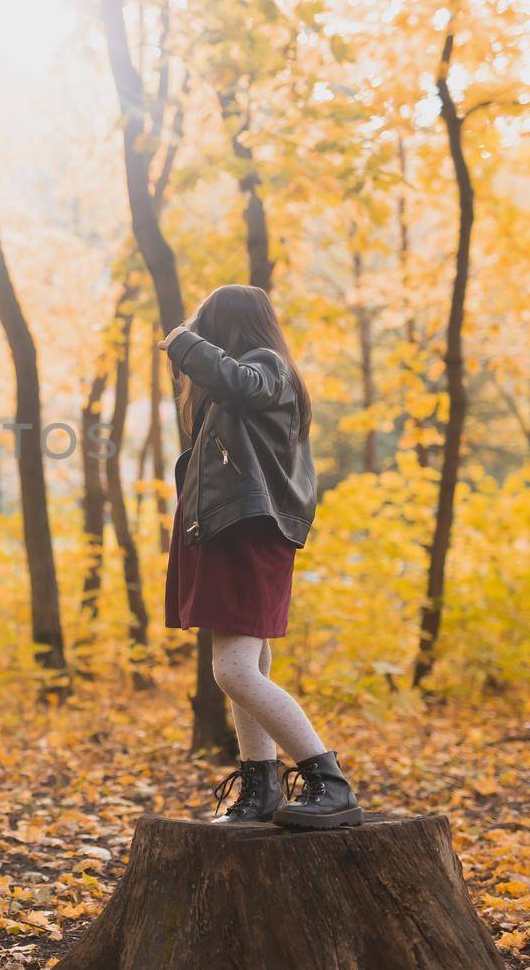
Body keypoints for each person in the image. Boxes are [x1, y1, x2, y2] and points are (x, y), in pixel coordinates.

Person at [158, 284, 363, 829]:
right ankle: (260, 785)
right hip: (230, 531)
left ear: (228, 326)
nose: (197, 338)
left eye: (205, 327)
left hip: (250, 532)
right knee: (248, 661)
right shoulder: (241, 387)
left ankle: (329, 780)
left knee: (233, 670)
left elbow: (237, 378)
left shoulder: (268, 367)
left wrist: (181, 342)